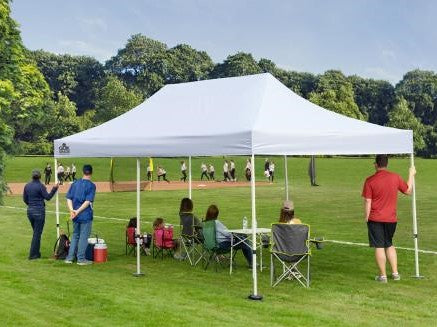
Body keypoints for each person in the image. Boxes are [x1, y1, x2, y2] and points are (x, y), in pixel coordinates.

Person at [362, 154, 416, 282]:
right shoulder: (395, 177)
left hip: (375, 218)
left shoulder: (370, 180)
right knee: (389, 244)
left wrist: (366, 217)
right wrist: (411, 174)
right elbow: (408, 191)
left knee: (379, 246)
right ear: (387, 164)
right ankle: (395, 273)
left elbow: (367, 201)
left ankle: (383, 276)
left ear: (376, 164)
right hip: (391, 219)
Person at [23, 170, 59, 259]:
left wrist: (31, 205)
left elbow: (25, 199)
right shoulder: (40, 186)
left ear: (32, 176)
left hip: (30, 212)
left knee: (36, 233)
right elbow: (48, 197)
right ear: (40, 177)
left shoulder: (27, 186)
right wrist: (55, 188)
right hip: (39, 212)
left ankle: (36, 253)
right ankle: (33, 255)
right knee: (37, 234)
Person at [65, 165, 97, 265]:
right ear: (91, 173)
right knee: (83, 236)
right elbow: (88, 201)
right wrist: (77, 211)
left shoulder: (75, 183)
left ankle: (69, 258)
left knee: (75, 235)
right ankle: (81, 259)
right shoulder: (91, 185)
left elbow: (68, 198)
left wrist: (72, 211)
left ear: (83, 172)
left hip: (75, 215)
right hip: (85, 214)